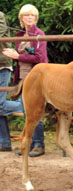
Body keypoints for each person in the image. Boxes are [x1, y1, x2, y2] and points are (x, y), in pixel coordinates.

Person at [2, 4, 48, 157]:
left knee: (34, 113)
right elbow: (19, 63)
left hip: (36, 80)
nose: (30, 18)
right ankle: (28, 144)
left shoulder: (39, 34)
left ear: (36, 18)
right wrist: (16, 82)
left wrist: (17, 56)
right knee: (26, 113)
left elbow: (40, 58)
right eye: (27, 15)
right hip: (23, 80)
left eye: (32, 15)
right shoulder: (20, 37)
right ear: (21, 18)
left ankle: (39, 145)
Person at [0, 11, 23, 152]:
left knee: (0, 105)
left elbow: (1, 32)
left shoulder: (0, 15)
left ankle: (26, 105)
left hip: (2, 63)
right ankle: (4, 142)